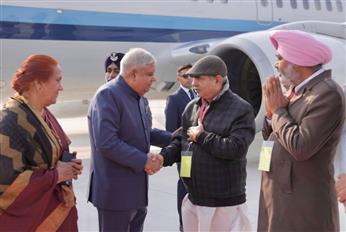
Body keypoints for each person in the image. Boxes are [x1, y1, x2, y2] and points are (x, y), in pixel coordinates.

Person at [259, 30, 345, 231]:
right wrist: (271, 114)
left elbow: (301, 147)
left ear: (296, 61)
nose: (276, 64)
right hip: (281, 196)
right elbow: (270, 137)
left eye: (280, 58)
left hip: (301, 202)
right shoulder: (295, 91)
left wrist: (279, 110)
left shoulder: (326, 94)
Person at [157, 55, 256, 231]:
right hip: (194, 198)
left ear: (218, 80)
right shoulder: (192, 107)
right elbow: (181, 141)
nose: (193, 83)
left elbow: (236, 148)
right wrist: (162, 158)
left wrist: (202, 137)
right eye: (191, 78)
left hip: (223, 204)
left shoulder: (241, 109)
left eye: (199, 78)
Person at [87, 48, 171, 232]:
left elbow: (143, 132)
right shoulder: (107, 95)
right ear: (133, 74)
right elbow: (107, 142)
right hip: (115, 193)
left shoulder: (139, 98)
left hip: (136, 192)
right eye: (149, 74)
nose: (154, 79)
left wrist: (174, 138)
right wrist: (145, 161)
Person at [0, 54, 83, 231]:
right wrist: (56, 175)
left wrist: (69, 166)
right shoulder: (9, 121)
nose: (61, 87)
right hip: (33, 222)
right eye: (58, 80)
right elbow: (6, 184)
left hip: (59, 212)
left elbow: (55, 155)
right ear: (38, 83)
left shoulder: (43, 113)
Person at [164, 63, 194, 231]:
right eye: (185, 76)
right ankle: (183, 223)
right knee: (185, 185)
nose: (189, 78)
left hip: (201, 152)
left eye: (191, 75)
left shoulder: (200, 95)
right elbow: (171, 130)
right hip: (185, 153)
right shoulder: (174, 99)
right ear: (178, 79)